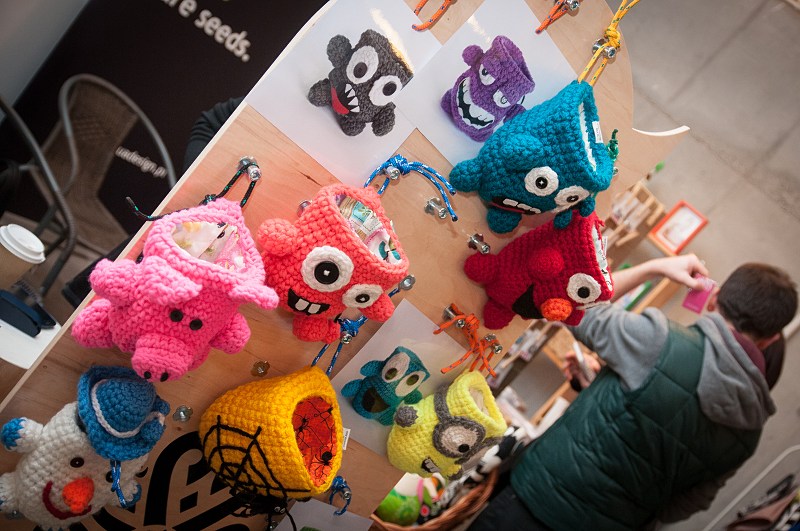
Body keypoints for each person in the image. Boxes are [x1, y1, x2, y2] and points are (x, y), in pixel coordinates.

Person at [468, 255, 798, 530]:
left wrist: (655, 267)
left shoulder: (663, 343)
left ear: (714, 298)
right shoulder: (750, 432)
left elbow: (575, 306)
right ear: (770, 339)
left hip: (537, 500)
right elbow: (685, 504)